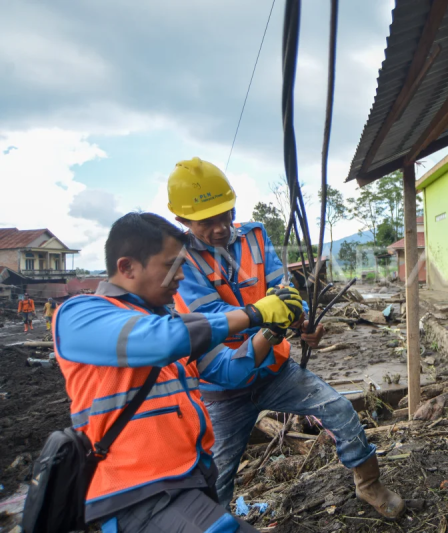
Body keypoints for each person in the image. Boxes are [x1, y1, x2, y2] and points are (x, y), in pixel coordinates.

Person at [168, 158, 404, 518]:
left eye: (225, 215)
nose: (220, 228)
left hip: (274, 368)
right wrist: (270, 319)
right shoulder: (179, 262)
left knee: (340, 410)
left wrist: (301, 323)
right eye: (206, 222)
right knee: (217, 477)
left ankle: (369, 484)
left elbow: (284, 292)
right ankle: (215, 523)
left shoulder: (255, 235)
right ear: (182, 221)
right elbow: (212, 319)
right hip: (222, 388)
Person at [54, 212, 304, 532]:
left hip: (187, 483)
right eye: (172, 265)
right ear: (127, 267)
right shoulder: (80, 315)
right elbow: (160, 340)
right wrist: (253, 313)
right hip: (136, 495)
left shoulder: (171, 324)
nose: (181, 277)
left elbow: (228, 370)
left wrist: (272, 330)